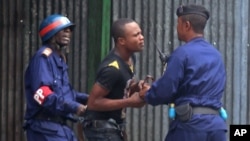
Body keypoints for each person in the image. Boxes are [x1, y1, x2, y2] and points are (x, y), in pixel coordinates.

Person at [137, 4, 228, 141]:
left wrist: (147, 94)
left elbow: (165, 91)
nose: (176, 28)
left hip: (191, 128)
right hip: (217, 127)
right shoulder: (216, 55)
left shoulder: (182, 54)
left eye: (178, 23)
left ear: (186, 25)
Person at [23, 14, 88, 141]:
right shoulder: (42, 58)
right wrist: (75, 107)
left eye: (69, 29)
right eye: (64, 29)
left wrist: (89, 99)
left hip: (60, 127)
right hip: (44, 128)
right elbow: (42, 94)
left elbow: (65, 94)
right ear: (51, 33)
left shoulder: (59, 59)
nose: (68, 32)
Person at [82, 18, 145, 141]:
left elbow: (120, 89)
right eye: (136, 35)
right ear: (121, 41)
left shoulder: (131, 58)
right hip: (101, 131)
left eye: (140, 33)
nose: (141, 37)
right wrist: (129, 102)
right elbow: (93, 103)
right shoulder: (112, 69)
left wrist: (137, 87)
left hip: (114, 128)